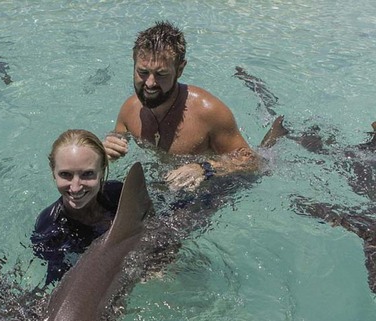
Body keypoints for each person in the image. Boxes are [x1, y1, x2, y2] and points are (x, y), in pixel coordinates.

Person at [103, 21, 261, 191]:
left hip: (209, 189)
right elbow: (116, 141)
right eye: (142, 72)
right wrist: (103, 151)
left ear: (180, 70)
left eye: (161, 74)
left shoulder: (209, 112)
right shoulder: (129, 110)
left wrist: (205, 169)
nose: (149, 83)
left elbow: (254, 162)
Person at [31, 129, 122, 285]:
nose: (75, 187)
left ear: (102, 171)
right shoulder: (49, 228)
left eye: (87, 174)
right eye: (65, 174)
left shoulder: (118, 195)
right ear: (53, 173)